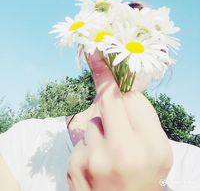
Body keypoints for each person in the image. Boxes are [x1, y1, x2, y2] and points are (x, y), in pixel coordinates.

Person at [0, 52, 200, 191]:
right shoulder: (24, 141)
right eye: (117, 25)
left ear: (162, 62)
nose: (131, 37)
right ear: (89, 46)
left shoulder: (192, 165)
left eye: (149, 32)